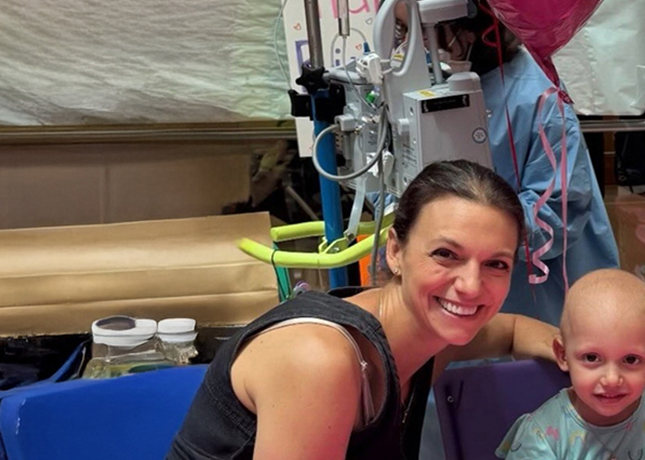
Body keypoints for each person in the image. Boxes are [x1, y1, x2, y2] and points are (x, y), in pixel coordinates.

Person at [167, 160, 558, 460]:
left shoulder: (430, 337)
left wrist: (593, 358)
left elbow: (513, 330)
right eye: (445, 254)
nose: (471, 286)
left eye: (496, 264)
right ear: (395, 251)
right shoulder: (321, 360)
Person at [384, 0, 619, 324]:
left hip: (539, 302)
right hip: (455, 302)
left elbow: (555, 222)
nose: (412, 49)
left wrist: (459, 228)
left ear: (472, 24)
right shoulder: (418, 91)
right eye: (402, 32)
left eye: (425, 32)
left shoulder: (535, 99)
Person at [497, 269, 645, 460]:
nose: (611, 379)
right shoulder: (540, 435)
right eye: (591, 358)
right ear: (563, 355)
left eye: (631, 360)